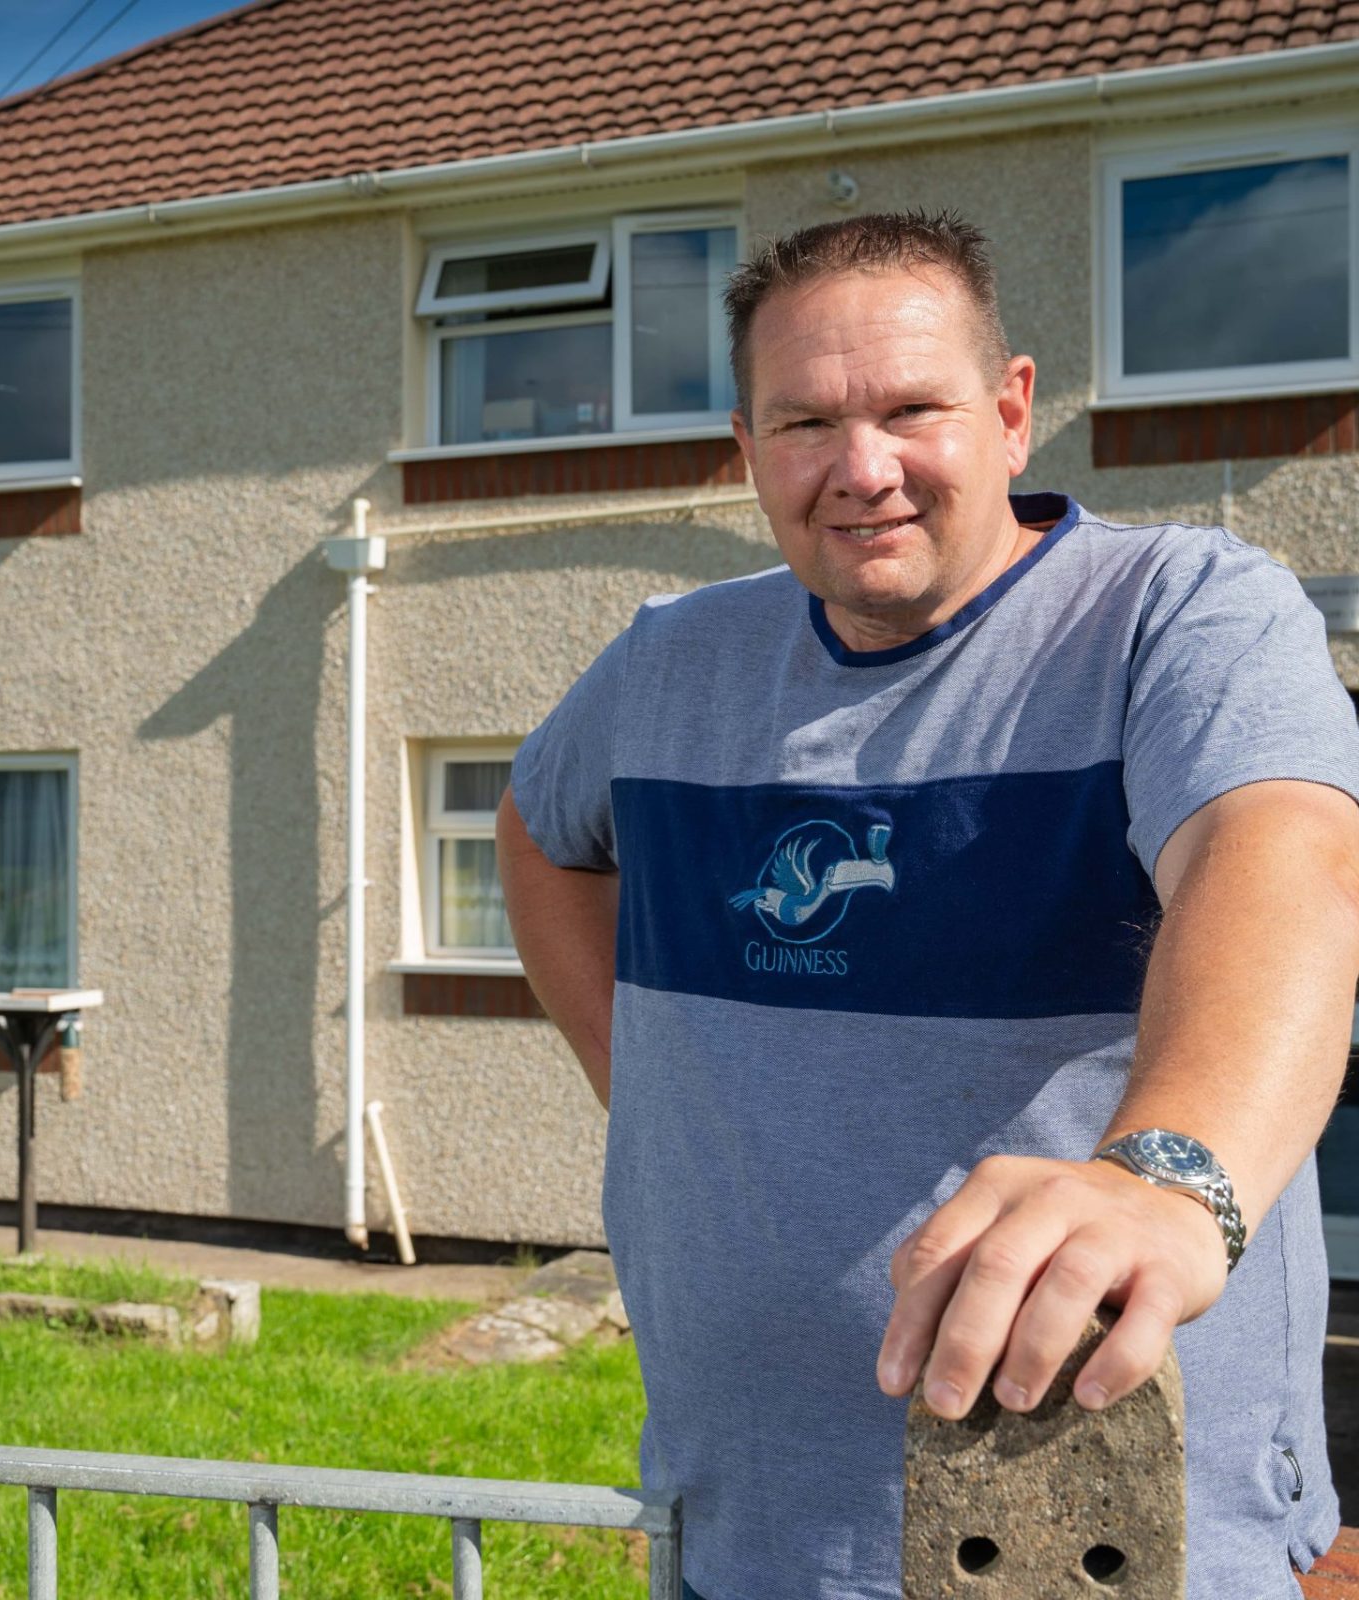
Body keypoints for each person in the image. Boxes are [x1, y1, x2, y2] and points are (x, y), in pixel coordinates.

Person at [496, 211, 1359, 1600]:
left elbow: (1283, 862)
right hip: (744, 1533)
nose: (862, 469)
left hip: (1103, 1551)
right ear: (744, 446)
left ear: (1012, 412)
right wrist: (654, 1094)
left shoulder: (1179, 611)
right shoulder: (672, 660)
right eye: (805, 424)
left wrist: (1168, 1180)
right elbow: (541, 836)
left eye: (912, 409)